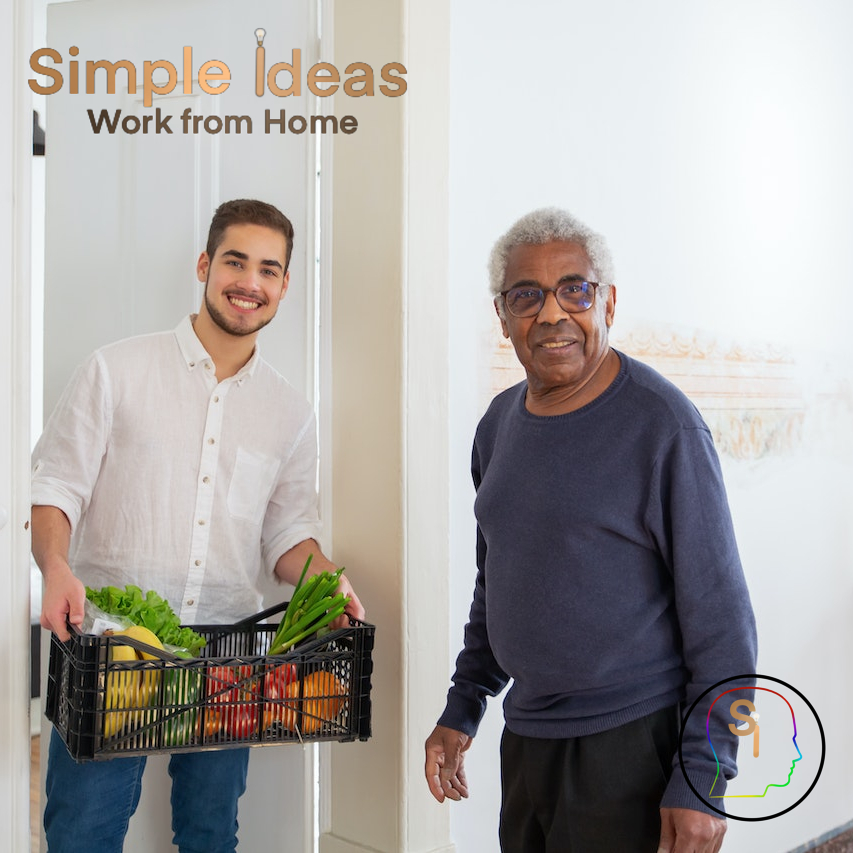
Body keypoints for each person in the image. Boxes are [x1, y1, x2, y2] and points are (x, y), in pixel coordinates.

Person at [32, 198, 364, 853]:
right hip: (110, 644)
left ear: (284, 285)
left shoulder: (289, 412)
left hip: (226, 653)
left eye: (268, 269)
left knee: (211, 834)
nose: (250, 281)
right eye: (235, 261)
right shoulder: (116, 370)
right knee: (83, 832)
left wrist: (330, 583)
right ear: (205, 264)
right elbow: (55, 487)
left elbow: (286, 534)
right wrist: (56, 567)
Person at [424, 208, 757, 852]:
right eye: (526, 296)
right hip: (528, 741)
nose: (551, 314)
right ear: (503, 318)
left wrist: (704, 778)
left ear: (607, 301)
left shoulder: (663, 426)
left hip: (633, 747)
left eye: (574, 289)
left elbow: (724, 624)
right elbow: (498, 582)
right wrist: (463, 706)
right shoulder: (498, 425)